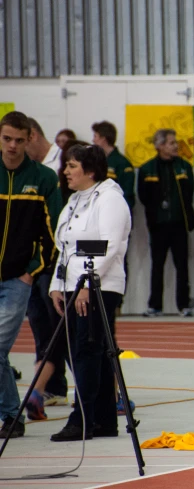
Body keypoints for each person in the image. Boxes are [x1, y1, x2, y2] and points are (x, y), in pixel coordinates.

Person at [48, 144, 131, 441]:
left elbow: (106, 246)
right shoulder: (74, 200)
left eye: (72, 166)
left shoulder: (110, 199)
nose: (66, 171)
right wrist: (57, 285)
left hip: (100, 287)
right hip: (74, 286)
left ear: (91, 170)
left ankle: (82, 418)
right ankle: (105, 420)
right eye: (66, 165)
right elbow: (66, 248)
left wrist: (85, 283)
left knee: (86, 351)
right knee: (91, 353)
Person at [0, 112, 62, 439]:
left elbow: (55, 232)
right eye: (6, 138)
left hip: (17, 280)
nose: (12, 146)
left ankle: (12, 416)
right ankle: (12, 416)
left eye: (18, 140)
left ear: (29, 140)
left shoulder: (43, 178)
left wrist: (32, 271)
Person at [22, 119, 69, 419]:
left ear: (33, 135)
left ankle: (108, 394)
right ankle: (48, 389)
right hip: (35, 265)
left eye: (19, 141)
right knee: (43, 330)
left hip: (55, 264)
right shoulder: (24, 172)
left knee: (67, 334)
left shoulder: (58, 166)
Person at [138, 129, 194, 317]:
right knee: (157, 265)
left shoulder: (184, 166)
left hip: (179, 224)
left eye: (175, 143)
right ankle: (155, 305)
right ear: (160, 146)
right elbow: (143, 197)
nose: (176, 146)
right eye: (171, 143)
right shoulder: (146, 168)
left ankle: (184, 305)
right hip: (157, 225)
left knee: (182, 265)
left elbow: (189, 192)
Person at [92, 121, 135, 211]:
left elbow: (127, 194)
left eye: (95, 136)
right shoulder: (97, 160)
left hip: (116, 210)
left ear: (103, 139)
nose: (93, 140)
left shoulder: (122, 163)